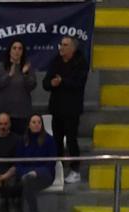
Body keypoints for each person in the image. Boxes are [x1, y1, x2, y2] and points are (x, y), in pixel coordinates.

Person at [43, 34, 88, 184]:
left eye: (65, 45)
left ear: (73, 48)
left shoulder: (80, 63)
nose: (61, 47)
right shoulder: (55, 61)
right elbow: (45, 83)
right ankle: (58, 169)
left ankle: (75, 170)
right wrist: (52, 84)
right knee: (56, 141)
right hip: (56, 108)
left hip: (72, 109)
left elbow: (78, 83)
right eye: (61, 44)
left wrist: (62, 81)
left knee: (71, 140)